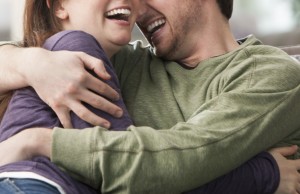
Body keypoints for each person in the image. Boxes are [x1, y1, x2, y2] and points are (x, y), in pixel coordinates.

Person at [0, 0, 300, 193]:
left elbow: (181, 158)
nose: (136, 9)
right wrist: (31, 63)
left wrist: (38, 142)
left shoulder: (267, 74)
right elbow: (33, 48)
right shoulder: (123, 60)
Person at [0, 0, 139, 193]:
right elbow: (123, 164)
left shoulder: (48, 51)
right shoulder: (77, 46)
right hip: (36, 186)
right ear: (59, 7)